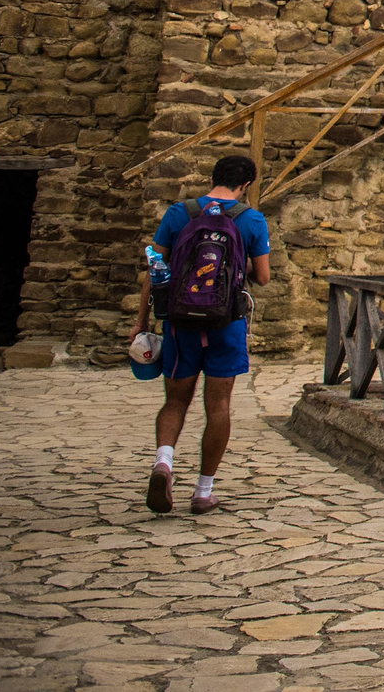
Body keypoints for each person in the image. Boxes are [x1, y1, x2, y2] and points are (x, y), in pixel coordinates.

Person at [133, 154, 271, 515]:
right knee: (219, 406)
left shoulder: (180, 213)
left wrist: (141, 320)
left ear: (213, 177)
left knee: (175, 401)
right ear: (246, 185)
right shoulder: (251, 219)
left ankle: (163, 463)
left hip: (180, 323)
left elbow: (155, 268)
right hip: (225, 324)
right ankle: (203, 491)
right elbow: (263, 277)